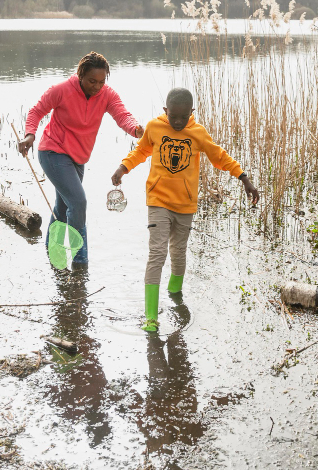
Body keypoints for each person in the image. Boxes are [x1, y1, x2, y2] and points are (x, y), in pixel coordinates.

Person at [111, 87, 259, 332]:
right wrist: (123, 168)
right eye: (173, 117)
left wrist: (244, 178)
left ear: (191, 112)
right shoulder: (154, 128)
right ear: (165, 111)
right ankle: (150, 317)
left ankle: (175, 293)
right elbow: (140, 151)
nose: (178, 122)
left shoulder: (198, 133)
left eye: (183, 117)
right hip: (158, 200)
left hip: (186, 205)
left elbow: (219, 156)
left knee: (178, 253)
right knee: (157, 254)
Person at [20, 51, 143, 266]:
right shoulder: (62, 90)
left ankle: (53, 254)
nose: (97, 86)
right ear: (80, 75)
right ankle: (79, 260)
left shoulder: (107, 95)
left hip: (78, 158)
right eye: (91, 81)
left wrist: (135, 129)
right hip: (53, 151)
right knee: (78, 202)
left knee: (62, 207)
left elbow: (122, 115)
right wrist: (30, 135)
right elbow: (36, 111)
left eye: (101, 81)